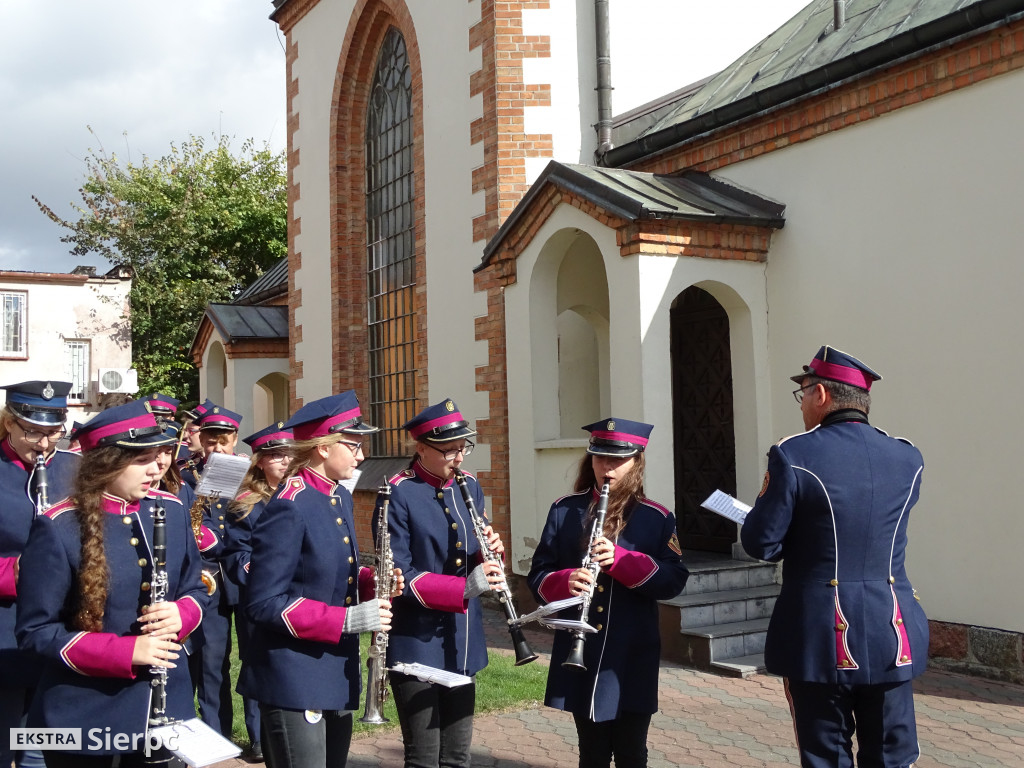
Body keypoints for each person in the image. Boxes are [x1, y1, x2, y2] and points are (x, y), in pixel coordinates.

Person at [740, 345, 928, 768]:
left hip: (821, 635)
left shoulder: (793, 454)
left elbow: (761, 543)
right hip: (892, 630)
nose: (802, 403)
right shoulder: (907, 456)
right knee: (892, 757)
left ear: (821, 394)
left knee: (826, 757)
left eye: (803, 392)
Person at [15, 399, 205, 767]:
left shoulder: (173, 509)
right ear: (106, 463)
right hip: (85, 717)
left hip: (165, 711)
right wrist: (126, 652)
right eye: (141, 458)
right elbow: (36, 632)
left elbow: (195, 587)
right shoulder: (58, 527)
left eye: (159, 454)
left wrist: (183, 613)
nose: (156, 467)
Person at [239, 391, 397, 768]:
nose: (360, 456)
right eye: (353, 445)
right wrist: (346, 620)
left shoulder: (336, 497)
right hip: (293, 675)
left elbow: (328, 568)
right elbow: (263, 602)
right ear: (323, 447)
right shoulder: (289, 505)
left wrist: (373, 581)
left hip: (332, 669)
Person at [527, 417, 689, 768]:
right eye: (600, 459)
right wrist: (565, 580)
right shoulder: (565, 510)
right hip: (581, 649)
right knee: (593, 752)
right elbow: (538, 574)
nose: (608, 469)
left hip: (633, 651)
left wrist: (622, 561)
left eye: (617, 461)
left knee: (632, 752)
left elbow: (674, 579)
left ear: (636, 462)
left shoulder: (657, 517)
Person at [380, 398, 508, 768]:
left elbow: (472, 553)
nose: (459, 458)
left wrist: (490, 553)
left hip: (461, 635)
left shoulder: (469, 485)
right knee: (423, 758)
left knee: (456, 757)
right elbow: (399, 571)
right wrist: (464, 588)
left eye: (462, 448)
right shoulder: (397, 492)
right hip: (415, 639)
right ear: (420, 447)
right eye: (448, 450)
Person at [0, 380, 80, 768]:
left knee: (43, 745)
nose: (45, 444)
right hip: (4, 630)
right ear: (9, 424)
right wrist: (12, 573)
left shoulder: (75, 469)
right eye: (32, 431)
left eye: (53, 432)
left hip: (59, 631)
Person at [222, 421, 297, 763]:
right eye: (276, 455)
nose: (285, 461)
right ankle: (259, 737)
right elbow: (236, 555)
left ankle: (293, 732)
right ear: (260, 461)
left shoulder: (302, 497)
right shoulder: (245, 504)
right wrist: (265, 570)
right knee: (258, 663)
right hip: (261, 597)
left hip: (299, 598)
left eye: (290, 455)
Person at [186, 404, 244, 740]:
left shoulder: (250, 473)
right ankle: (213, 734)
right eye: (210, 441)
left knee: (250, 660)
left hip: (243, 577)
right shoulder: (186, 474)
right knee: (210, 661)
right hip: (208, 582)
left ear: (234, 439)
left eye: (223, 441)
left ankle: (257, 737)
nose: (217, 449)